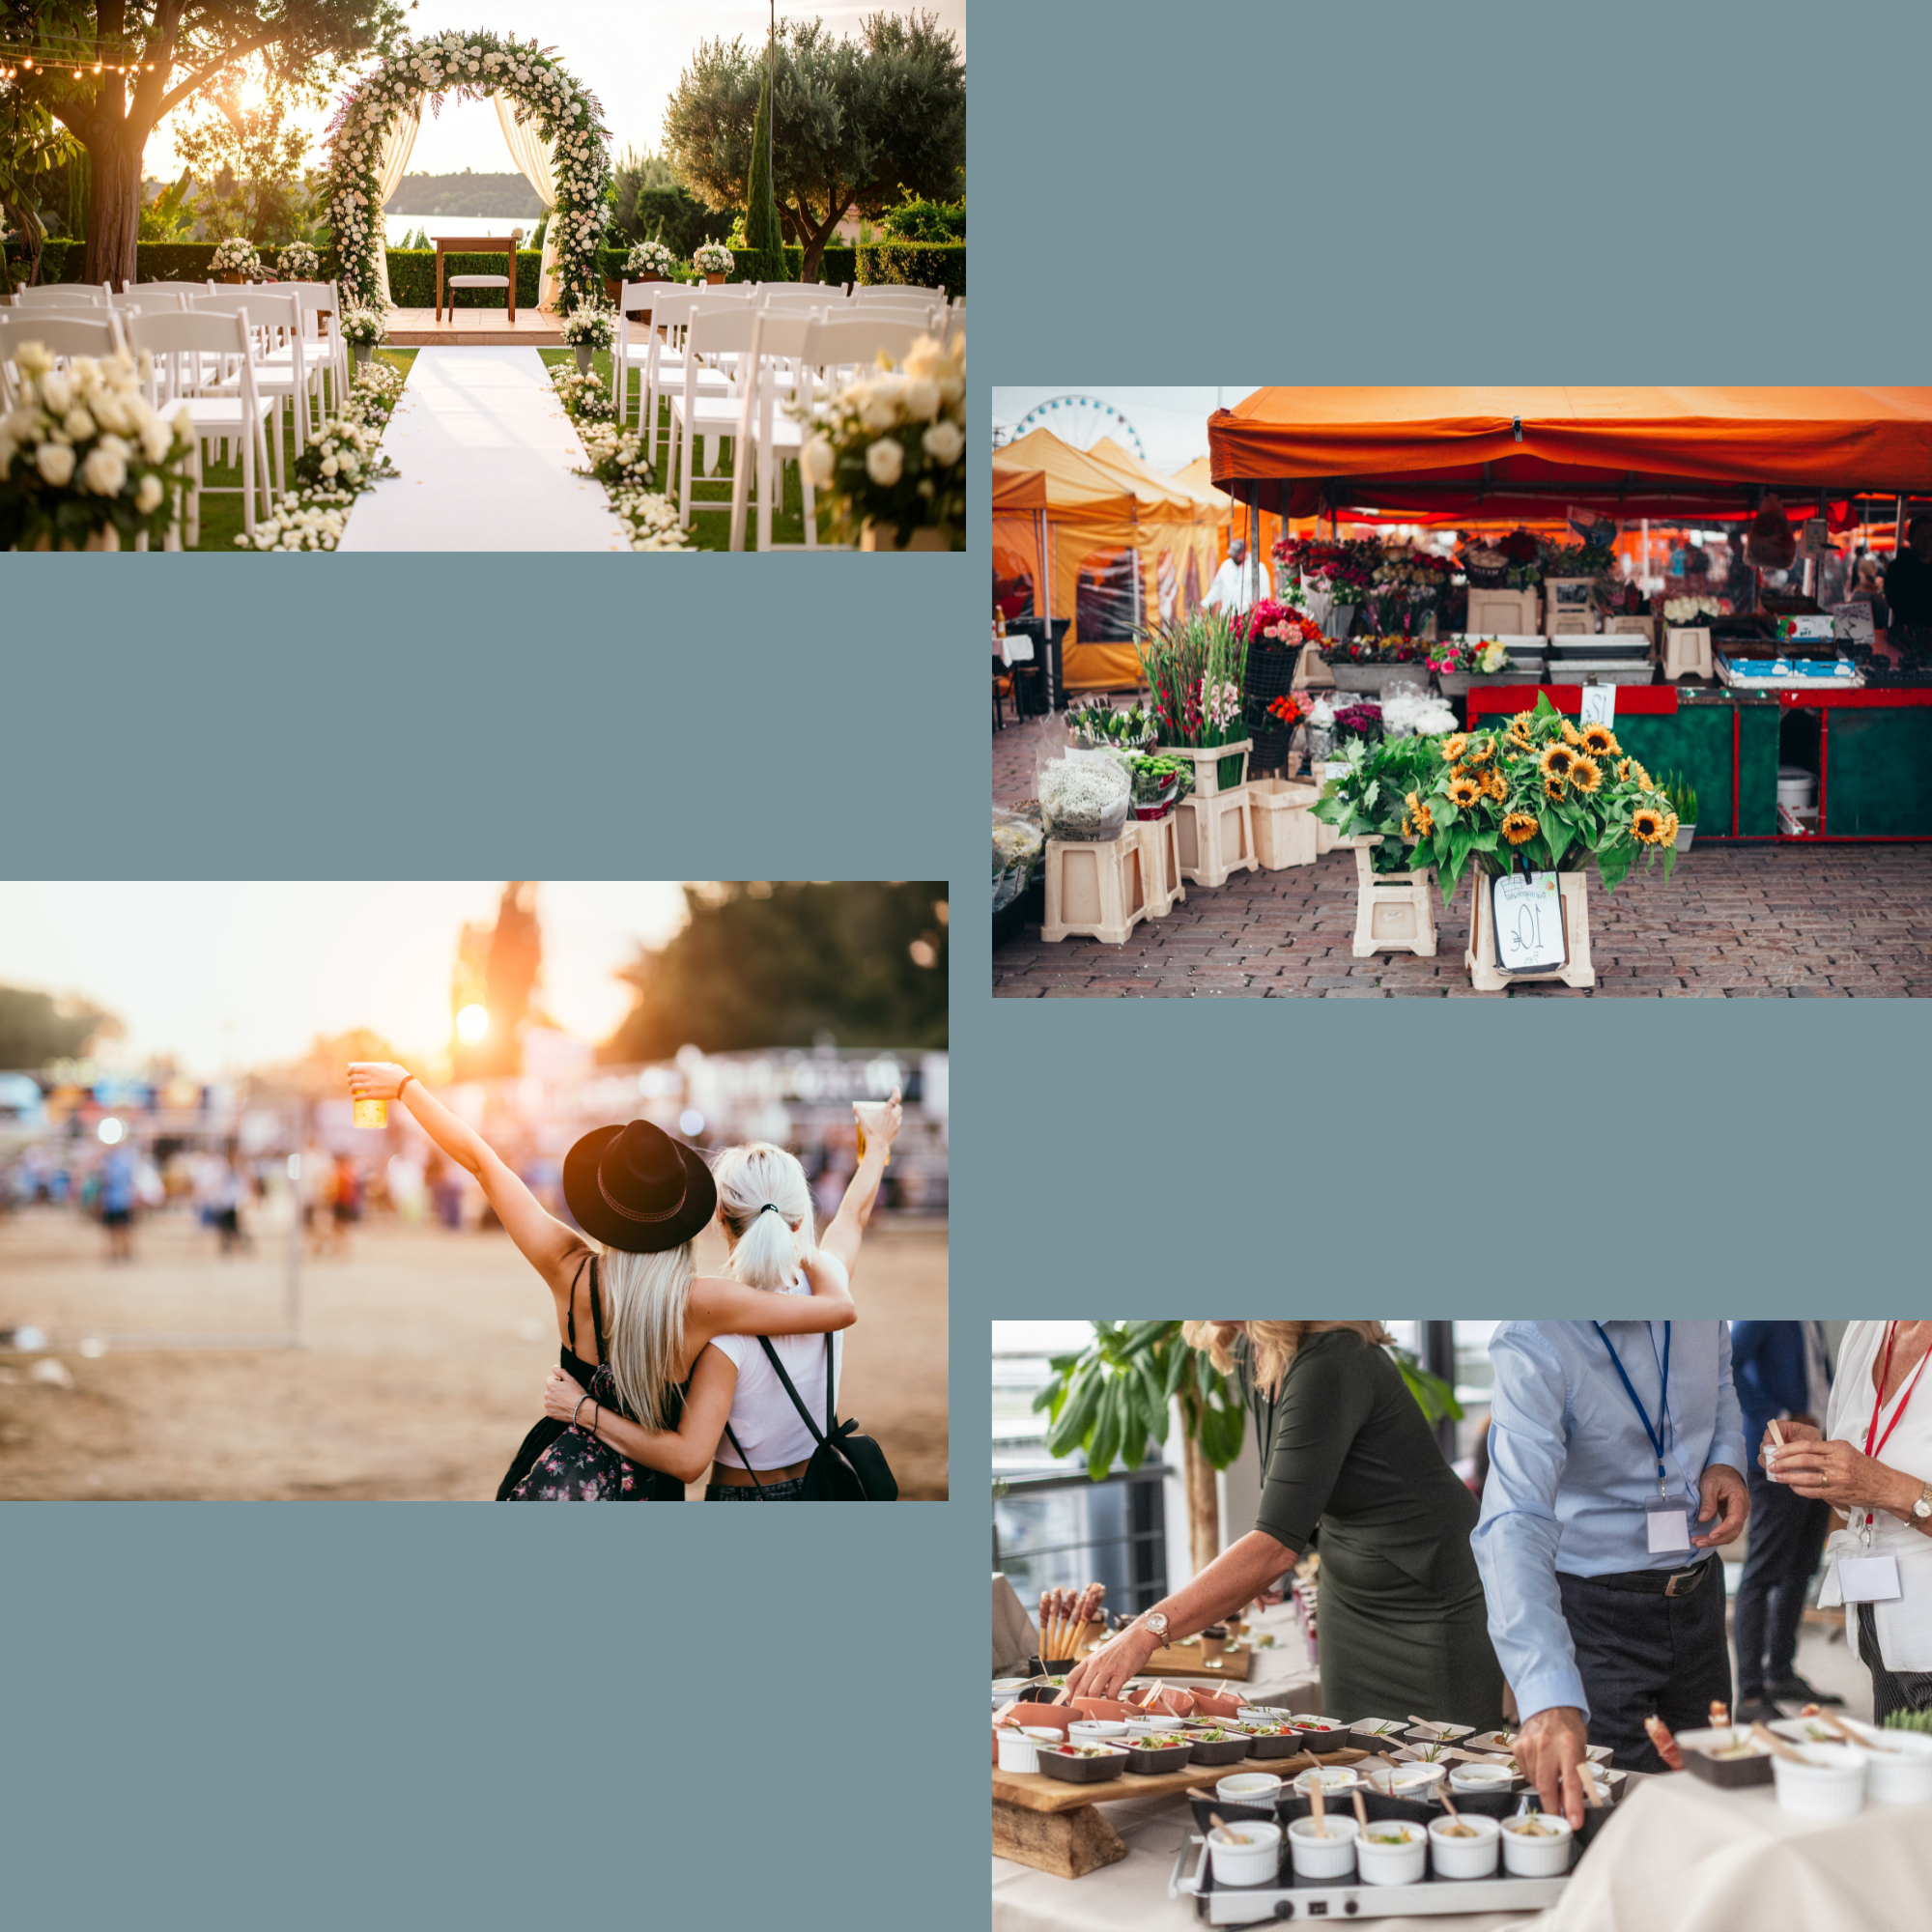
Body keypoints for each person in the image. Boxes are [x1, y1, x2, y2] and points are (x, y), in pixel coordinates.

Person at [345, 1060, 857, 1501]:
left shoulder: (567, 1266)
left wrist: (406, 1086)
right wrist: (793, 1230)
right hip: (649, 1490)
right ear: (686, 1213)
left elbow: (483, 1162)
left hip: (558, 1471)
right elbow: (838, 1310)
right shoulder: (705, 1301)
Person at [1065, 1321, 1506, 1730]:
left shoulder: (1333, 1359)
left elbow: (1274, 1544)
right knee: (1357, 1767)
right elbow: (1298, 1490)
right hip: (1352, 1598)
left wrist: (1143, 1634)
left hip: (1433, 1600)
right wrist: (1263, 1558)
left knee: (1447, 1777)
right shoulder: (1256, 1353)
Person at [548, 1095, 901, 1501]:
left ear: (719, 1216)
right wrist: (877, 1146)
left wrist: (583, 1409)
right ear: (799, 1219)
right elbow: (852, 1217)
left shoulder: (722, 1332)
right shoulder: (827, 1284)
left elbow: (686, 1458)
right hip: (822, 1487)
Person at [1472, 1321, 1749, 1826]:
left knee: (1715, 1805)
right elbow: (1514, 1520)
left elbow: (1723, 1386)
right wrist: (1546, 1695)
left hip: (1699, 1601)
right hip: (1598, 1617)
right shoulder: (1533, 1336)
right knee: (1620, 1822)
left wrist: (1726, 1460)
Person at [1764, 1321, 1932, 1724]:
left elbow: (1878, 1480)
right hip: (1880, 1628)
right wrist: (1821, 1462)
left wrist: (1885, 1485)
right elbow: (1852, 1497)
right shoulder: (1867, 1328)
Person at [1729, 1321, 1838, 1719]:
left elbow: (1817, 1382)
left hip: (1818, 1452)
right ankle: (1751, 1695)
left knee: (1800, 1569)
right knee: (1763, 1573)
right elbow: (1728, 1363)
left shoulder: (1810, 1320)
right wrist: (1779, 1415)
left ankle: (1780, 1672)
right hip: (1777, 1456)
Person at [1205, 537, 1265, 615]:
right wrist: (1205, 604)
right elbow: (1217, 588)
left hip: (1248, 616)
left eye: (1236, 555)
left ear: (1244, 552)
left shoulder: (1258, 567)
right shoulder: (1225, 565)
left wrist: (1256, 612)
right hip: (1228, 616)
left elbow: (1264, 593)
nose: (1233, 557)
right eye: (1232, 554)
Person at [98, 1143, 137, 1262]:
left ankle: (120, 1252)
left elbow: (106, 1181)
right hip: (119, 1200)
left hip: (117, 1200)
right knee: (120, 1229)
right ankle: (122, 1252)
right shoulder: (122, 1162)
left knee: (117, 1229)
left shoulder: (112, 1163)